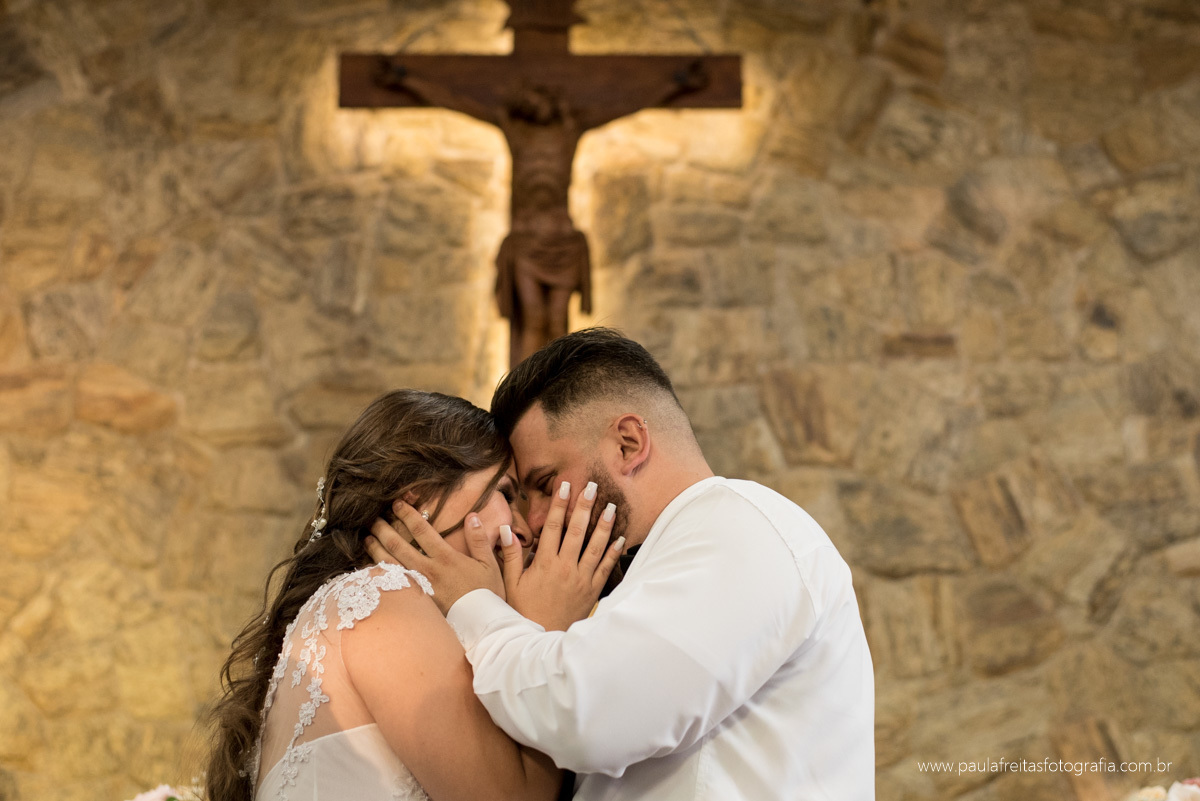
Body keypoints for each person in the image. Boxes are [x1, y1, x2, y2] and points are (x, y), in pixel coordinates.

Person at [366, 328, 877, 800]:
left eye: (544, 483)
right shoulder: (672, 551)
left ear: (628, 443)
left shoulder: (742, 529)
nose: (535, 521)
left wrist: (476, 605)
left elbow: (588, 715)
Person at [203, 389, 623, 801]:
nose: (526, 529)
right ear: (417, 496)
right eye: (507, 494)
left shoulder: (375, 607)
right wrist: (545, 628)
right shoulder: (378, 600)